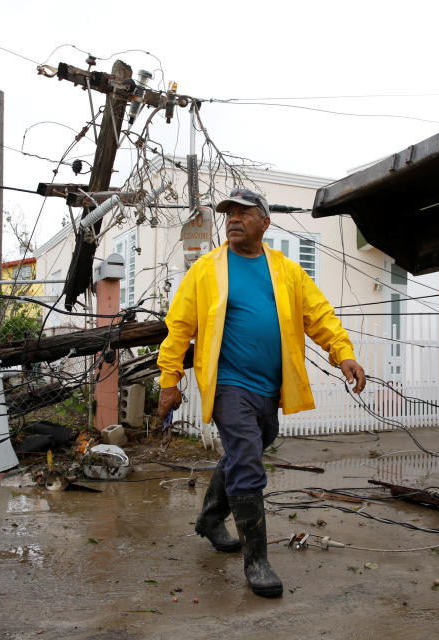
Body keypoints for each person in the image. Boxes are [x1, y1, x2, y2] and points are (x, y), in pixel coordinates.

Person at [156, 188, 366, 598]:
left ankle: (210, 519)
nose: (233, 218)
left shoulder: (286, 271)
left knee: (247, 449)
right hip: (229, 385)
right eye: (229, 213)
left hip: (270, 387)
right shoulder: (206, 270)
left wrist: (343, 354)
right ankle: (257, 560)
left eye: (243, 212)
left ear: (265, 222)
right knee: (248, 460)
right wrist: (169, 381)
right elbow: (178, 327)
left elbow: (319, 314)